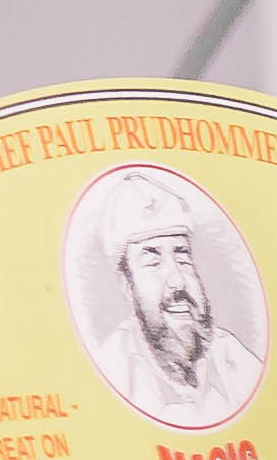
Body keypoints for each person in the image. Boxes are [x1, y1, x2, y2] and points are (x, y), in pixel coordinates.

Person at [69, 170, 261, 431]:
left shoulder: (233, 358)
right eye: (153, 261)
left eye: (182, 257)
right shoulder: (113, 369)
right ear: (127, 286)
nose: (178, 282)